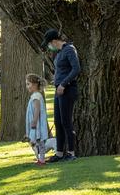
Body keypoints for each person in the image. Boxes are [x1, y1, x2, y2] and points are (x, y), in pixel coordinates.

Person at [41, 28, 80, 162]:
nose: (49, 46)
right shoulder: (59, 53)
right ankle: (59, 153)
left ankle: (71, 152)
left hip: (67, 89)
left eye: (49, 43)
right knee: (58, 122)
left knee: (66, 122)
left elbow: (76, 69)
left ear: (54, 41)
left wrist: (63, 84)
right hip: (58, 91)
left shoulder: (69, 49)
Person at [25, 73, 49, 165]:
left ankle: (41, 160)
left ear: (35, 84)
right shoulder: (36, 95)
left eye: (28, 84)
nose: (27, 87)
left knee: (37, 140)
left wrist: (34, 121)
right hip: (36, 122)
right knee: (37, 141)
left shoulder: (36, 96)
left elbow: (37, 109)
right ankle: (40, 159)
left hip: (37, 123)